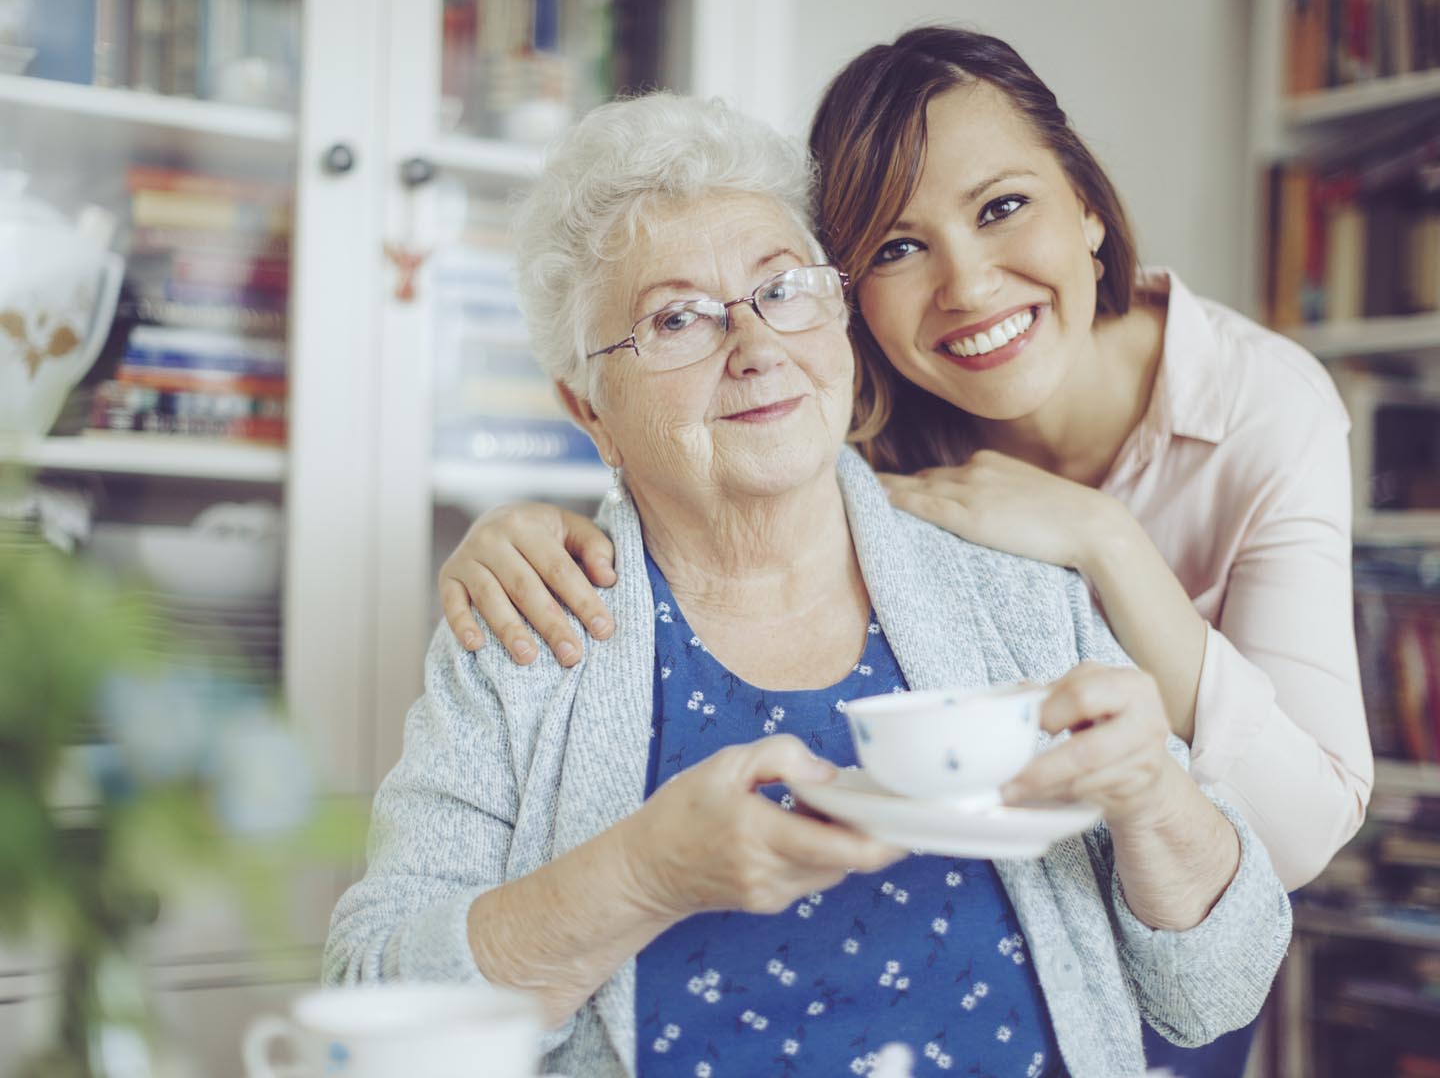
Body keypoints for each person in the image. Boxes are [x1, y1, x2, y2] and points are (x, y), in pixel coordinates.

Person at [326, 92, 1291, 1078]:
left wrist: (1152, 796)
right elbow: (370, 1043)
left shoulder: (1020, 590)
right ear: (591, 409)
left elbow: (1218, 986)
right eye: (677, 319)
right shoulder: (530, 632)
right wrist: (641, 877)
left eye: (782, 288)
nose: (756, 349)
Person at [438, 29, 1371, 899]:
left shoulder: (1261, 407)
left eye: (1003, 207)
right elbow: (677, 455)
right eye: (898, 247)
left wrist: (1108, 543)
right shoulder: (840, 402)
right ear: (848, 293)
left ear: (1087, 205)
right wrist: (520, 528)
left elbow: (1296, 838)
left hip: (1181, 901)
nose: (966, 285)